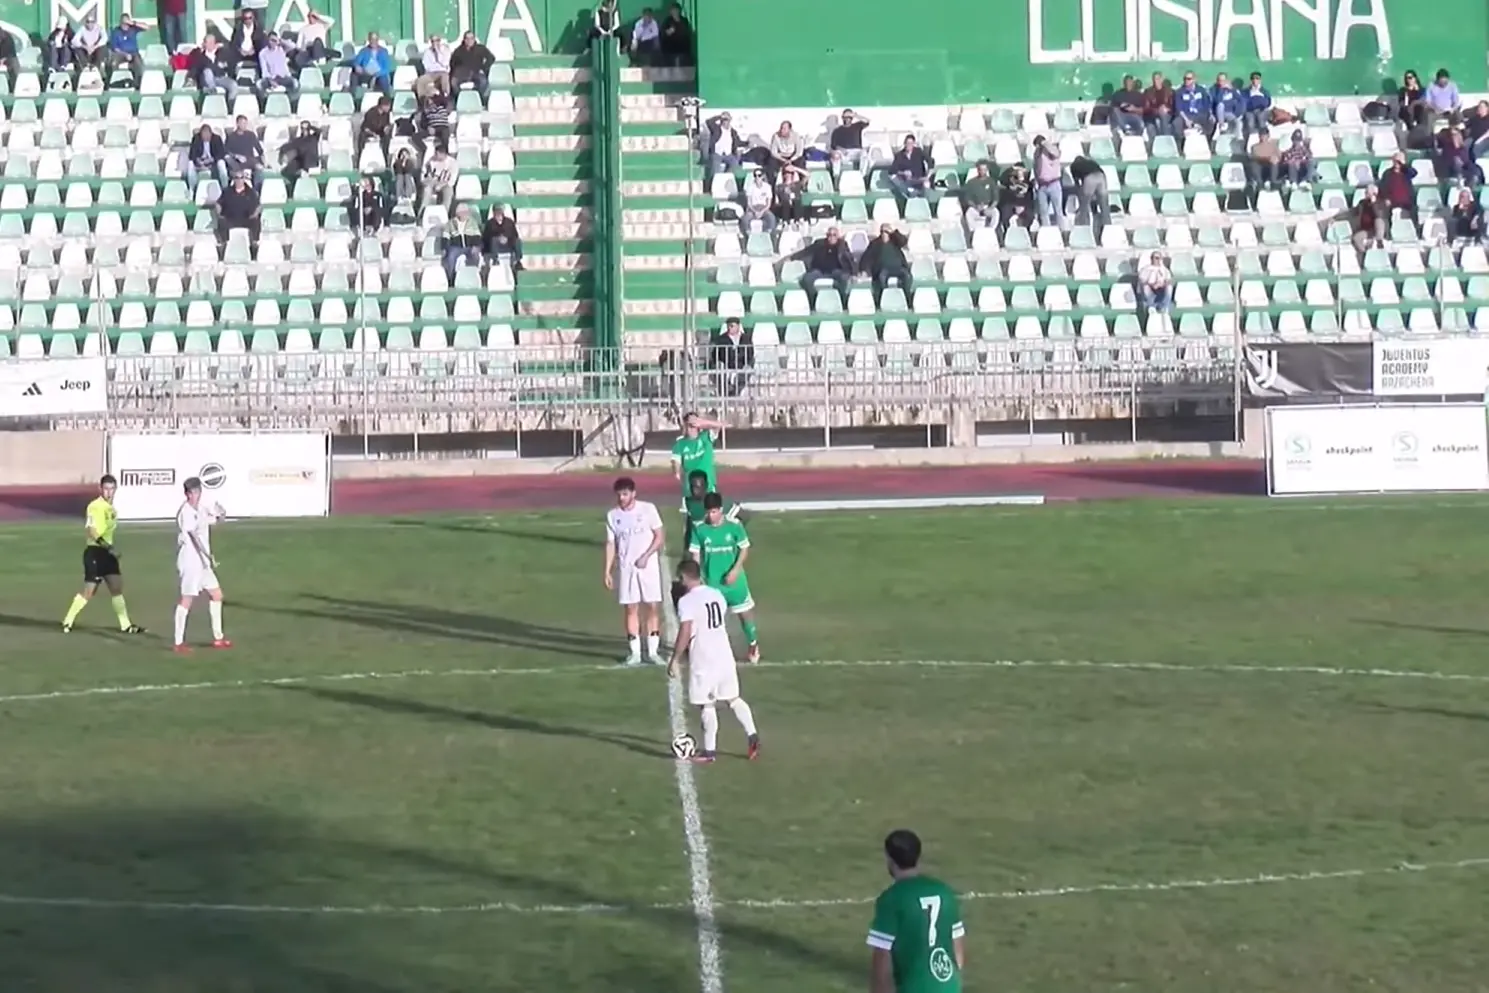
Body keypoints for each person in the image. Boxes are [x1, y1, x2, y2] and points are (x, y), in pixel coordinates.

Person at [668, 558, 760, 764]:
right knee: (733, 699)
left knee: (707, 705)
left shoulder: (687, 601)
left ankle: (709, 752)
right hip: (724, 653)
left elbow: (685, 631)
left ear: (684, 577)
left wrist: (675, 658)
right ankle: (752, 734)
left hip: (704, 658)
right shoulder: (716, 594)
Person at [867, 829, 965, 993]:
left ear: (890, 860)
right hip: (949, 986)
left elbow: (882, 961)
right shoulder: (944, 892)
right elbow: (958, 951)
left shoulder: (891, 899)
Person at [61, 474, 146, 635]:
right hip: (95, 552)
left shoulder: (111, 508)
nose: (109, 492)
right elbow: (91, 532)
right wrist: (108, 547)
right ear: (100, 489)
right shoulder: (95, 506)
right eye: (106, 489)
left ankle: (126, 625)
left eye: (112, 489)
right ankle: (68, 620)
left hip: (107, 553)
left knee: (116, 587)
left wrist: (109, 549)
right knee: (89, 591)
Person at [687, 493, 759, 663]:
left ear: (720, 510)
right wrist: (698, 579)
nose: (710, 516)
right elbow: (695, 555)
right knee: (712, 620)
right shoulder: (699, 528)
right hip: (712, 582)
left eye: (713, 512)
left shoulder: (734, 526)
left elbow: (744, 549)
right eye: (708, 513)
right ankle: (714, 652)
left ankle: (753, 643)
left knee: (745, 615)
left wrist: (735, 571)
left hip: (735, 581)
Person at [603, 476, 665, 667]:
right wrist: (607, 571)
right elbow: (611, 544)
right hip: (627, 569)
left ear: (633, 493)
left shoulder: (648, 509)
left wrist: (647, 555)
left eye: (625, 494)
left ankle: (653, 652)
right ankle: (635, 653)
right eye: (619, 494)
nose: (622, 498)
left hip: (648, 567)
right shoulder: (613, 516)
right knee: (630, 608)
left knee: (652, 607)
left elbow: (659, 536)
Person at [173, 476, 231, 653]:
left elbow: (215, 520)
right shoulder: (186, 512)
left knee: (217, 595)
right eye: (191, 493)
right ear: (186, 494)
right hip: (191, 562)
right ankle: (178, 642)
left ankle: (218, 638)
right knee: (187, 599)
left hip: (203, 562)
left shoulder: (202, 509)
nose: (194, 496)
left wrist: (222, 514)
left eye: (197, 492)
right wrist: (208, 555)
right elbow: (194, 537)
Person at [670, 411, 723, 500]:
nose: (692, 428)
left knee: (711, 511)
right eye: (689, 425)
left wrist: (703, 422)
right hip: (690, 489)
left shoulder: (706, 437)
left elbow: (720, 425)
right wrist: (677, 472)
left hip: (708, 486)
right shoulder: (680, 444)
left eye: (694, 425)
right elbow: (676, 461)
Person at [682, 469, 740, 549]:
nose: (695, 491)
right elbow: (688, 525)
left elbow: (737, 510)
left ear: (706, 485)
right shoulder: (688, 502)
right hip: (698, 543)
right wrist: (686, 546)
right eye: (693, 487)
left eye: (698, 487)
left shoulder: (714, 500)